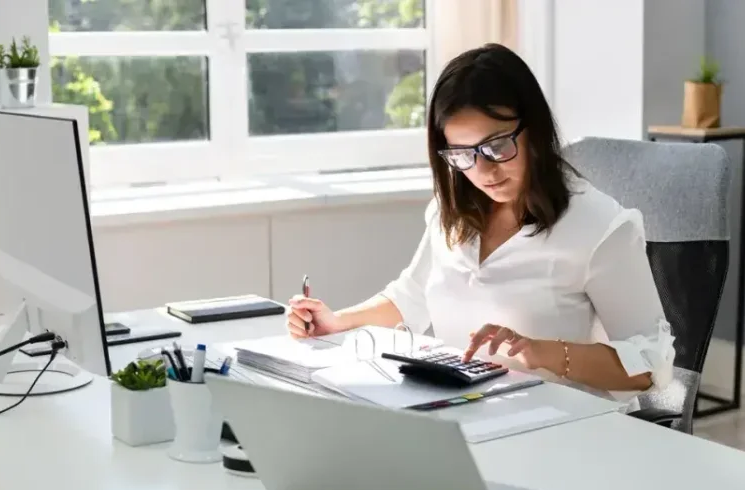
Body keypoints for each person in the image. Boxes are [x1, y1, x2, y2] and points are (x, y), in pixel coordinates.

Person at [286, 44, 675, 394]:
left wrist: (540, 353)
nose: (484, 170)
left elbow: (650, 365)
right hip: (467, 411)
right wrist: (336, 322)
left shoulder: (600, 227)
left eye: (497, 145)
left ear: (534, 129)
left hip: (561, 426)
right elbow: (412, 296)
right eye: (462, 155)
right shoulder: (452, 212)